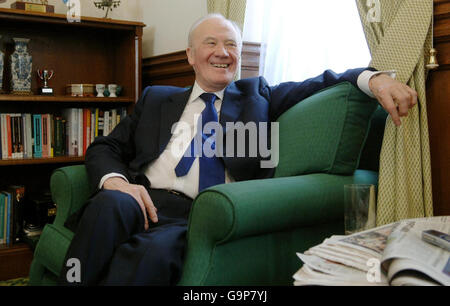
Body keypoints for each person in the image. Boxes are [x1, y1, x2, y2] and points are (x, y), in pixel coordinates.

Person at [60, 14, 417, 285]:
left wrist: (374, 78)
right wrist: (115, 181)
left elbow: (323, 81)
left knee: (152, 254)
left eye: (231, 44)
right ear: (190, 55)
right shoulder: (157, 99)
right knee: (109, 203)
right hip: (144, 197)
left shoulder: (258, 95)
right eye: (211, 43)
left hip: (201, 213)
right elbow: (106, 146)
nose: (222, 52)